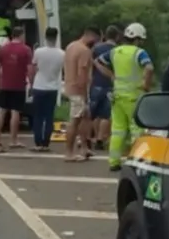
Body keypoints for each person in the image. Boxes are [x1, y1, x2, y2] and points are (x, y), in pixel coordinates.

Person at [95, 22, 154, 171]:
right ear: (138, 38)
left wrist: (112, 76)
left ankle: (114, 162)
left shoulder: (115, 52)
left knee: (118, 131)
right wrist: (146, 85)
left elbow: (97, 62)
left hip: (117, 96)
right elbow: (149, 68)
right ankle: (136, 161)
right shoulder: (139, 52)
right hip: (134, 97)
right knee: (137, 130)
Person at [0, 26, 32, 151]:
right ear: (21, 35)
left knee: (1, 112)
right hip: (18, 85)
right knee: (15, 112)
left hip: (4, 84)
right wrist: (31, 83)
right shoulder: (26, 50)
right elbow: (30, 69)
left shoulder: (2, 49)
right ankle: (13, 140)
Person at [62, 26, 100, 161]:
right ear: (91, 36)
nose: (96, 42)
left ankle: (84, 147)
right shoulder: (85, 51)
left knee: (86, 117)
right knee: (75, 120)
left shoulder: (71, 46)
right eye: (96, 38)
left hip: (69, 85)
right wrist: (84, 94)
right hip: (78, 89)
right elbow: (82, 73)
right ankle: (69, 152)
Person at [29, 27, 64, 151]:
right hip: (52, 87)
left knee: (38, 116)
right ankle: (46, 143)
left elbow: (33, 69)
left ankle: (38, 143)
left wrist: (31, 83)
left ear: (45, 37)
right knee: (49, 117)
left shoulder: (38, 52)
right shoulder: (61, 53)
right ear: (56, 37)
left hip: (39, 86)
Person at [89, 25, 121, 151]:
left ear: (105, 35)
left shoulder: (96, 48)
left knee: (94, 114)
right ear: (117, 36)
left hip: (95, 83)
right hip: (110, 85)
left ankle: (95, 136)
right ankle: (100, 139)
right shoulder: (117, 50)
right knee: (106, 115)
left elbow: (90, 64)